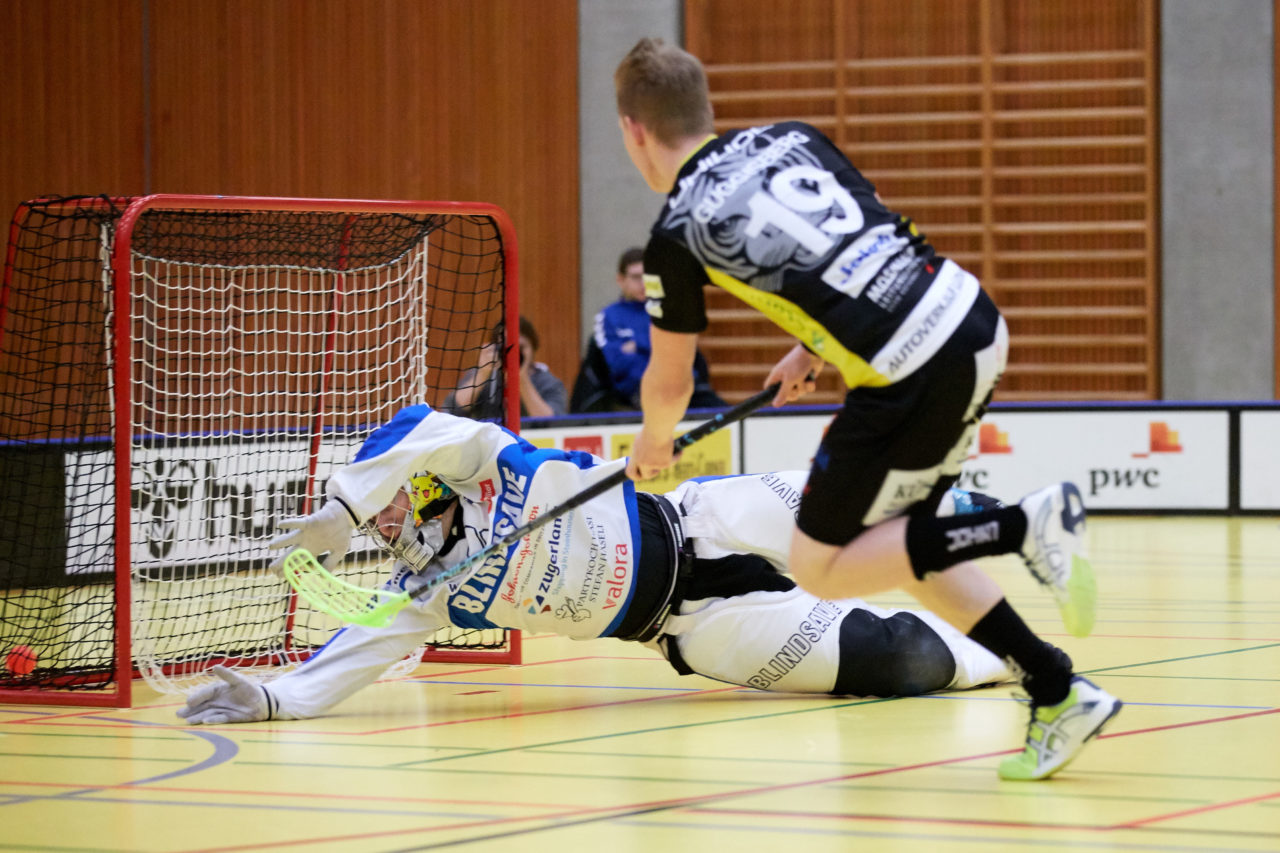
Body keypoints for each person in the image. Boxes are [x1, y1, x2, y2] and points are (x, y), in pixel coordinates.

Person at [612, 38, 1120, 780]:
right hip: (969, 316)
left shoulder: (675, 233)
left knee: (821, 564)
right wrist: (810, 347)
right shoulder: (792, 138)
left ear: (633, 130)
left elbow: (669, 381)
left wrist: (654, 445)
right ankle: (1057, 688)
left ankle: (1022, 524)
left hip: (908, 368)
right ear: (704, 106)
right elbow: (860, 245)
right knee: (903, 544)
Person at [177, 404, 1015, 725]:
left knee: (878, 507)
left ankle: (1024, 522)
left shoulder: (484, 460)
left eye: (387, 507)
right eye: (376, 524)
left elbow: (423, 424)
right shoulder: (426, 592)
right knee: (901, 661)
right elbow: (348, 659)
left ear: (416, 483)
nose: (385, 528)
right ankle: (1007, 657)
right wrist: (276, 697)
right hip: (693, 627)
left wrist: (343, 504)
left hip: (708, 519)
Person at [571, 247, 725, 413]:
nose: (643, 283)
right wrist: (655, 349)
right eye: (636, 277)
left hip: (683, 387)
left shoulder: (669, 311)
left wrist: (637, 345)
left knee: (727, 415)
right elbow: (618, 363)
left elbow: (680, 353)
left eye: (648, 276)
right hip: (638, 390)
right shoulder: (609, 316)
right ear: (621, 280)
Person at [446, 315, 567, 419]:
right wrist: (482, 375)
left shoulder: (547, 382)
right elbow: (451, 410)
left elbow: (551, 422)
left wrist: (521, 378)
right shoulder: (483, 376)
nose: (514, 354)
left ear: (533, 348)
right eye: (507, 348)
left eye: (521, 347)